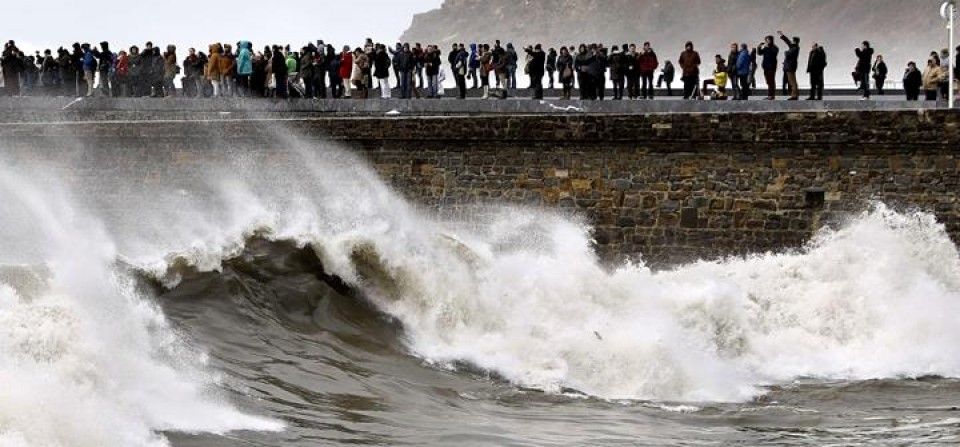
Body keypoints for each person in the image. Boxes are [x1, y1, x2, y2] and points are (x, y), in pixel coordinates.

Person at [778, 31, 800, 100]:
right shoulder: (794, 47)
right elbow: (787, 41)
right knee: (792, 81)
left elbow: (788, 54)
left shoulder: (795, 48)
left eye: (792, 40)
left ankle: (794, 95)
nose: (791, 41)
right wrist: (782, 35)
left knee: (792, 81)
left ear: (795, 41)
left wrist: (785, 52)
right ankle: (794, 95)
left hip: (790, 67)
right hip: (790, 66)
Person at [757, 35, 779, 100]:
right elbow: (760, 53)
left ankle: (771, 95)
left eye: (768, 40)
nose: (767, 41)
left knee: (771, 81)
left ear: (771, 40)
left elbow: (773, 54)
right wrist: (759, 47)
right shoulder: (766, 48)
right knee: (768, 81)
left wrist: (767, 47)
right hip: (766, 67)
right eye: (766, 40)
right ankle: (770, 95)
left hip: (771, 67)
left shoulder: (775, 48)